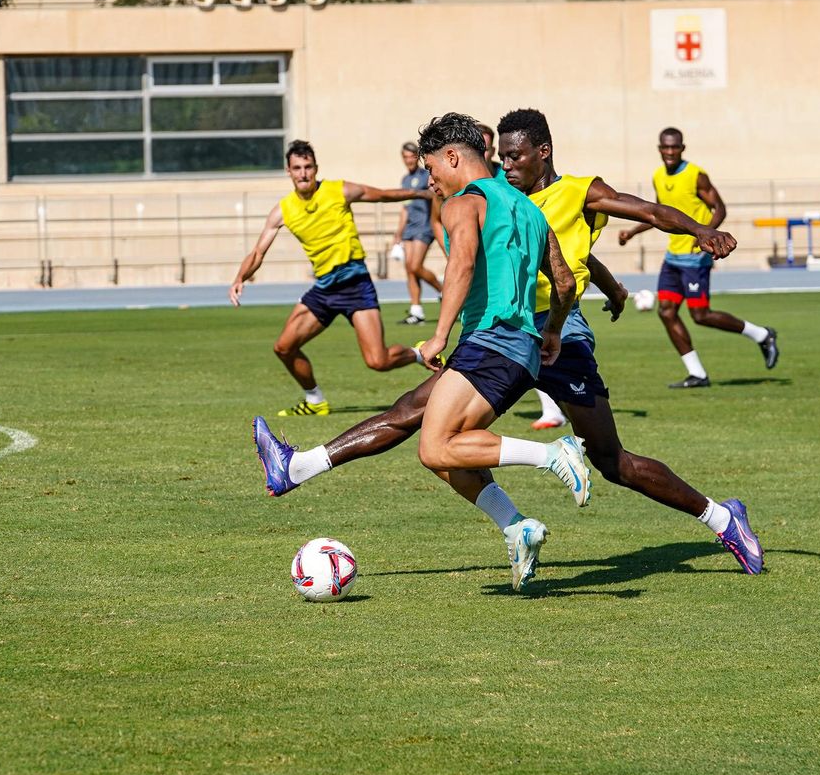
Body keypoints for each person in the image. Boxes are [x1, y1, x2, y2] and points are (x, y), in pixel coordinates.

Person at [255, 109, 766, 586]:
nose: (508, 162)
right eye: (501, 154)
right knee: (416, 416)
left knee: (612, 462)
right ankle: (304, 468)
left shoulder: (575, 192)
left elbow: (644, 214)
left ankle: (721, 517)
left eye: (516, 155)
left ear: (542, 151)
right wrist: (608, 288)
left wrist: (700, 230)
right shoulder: (505, 197)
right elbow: (559, 266)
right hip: (520, 334)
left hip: (549, 338)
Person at [230, 140, 434, 417]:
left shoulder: (338, 190)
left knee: (378, 361)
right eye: (297, 168)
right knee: (284, 347)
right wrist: (240, 277)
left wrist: (423, 194)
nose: (303, 173)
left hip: (356, 286)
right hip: (324, 290)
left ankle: (419, 354)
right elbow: (257, 252)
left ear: (316, 168)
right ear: (288, 171)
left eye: (308, 167)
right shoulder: (283, 210)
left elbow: (383, 194)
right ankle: (315, 401)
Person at [619, 127, 779, 388]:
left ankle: (762, 334)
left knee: (700, 315)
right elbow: (659, 213)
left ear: (683, 148)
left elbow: (720, 208)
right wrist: (633, 232)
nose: (670, 152)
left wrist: (706, 235)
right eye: (665, 147)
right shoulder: (658, 176)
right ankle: (697, 374)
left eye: (675, 147)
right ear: (659, 149)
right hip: (673, 258)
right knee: (667, 312)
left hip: (696, 259)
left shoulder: (696, 175)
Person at [388, 141, 442, 325]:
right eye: (404, 157)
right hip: (409, 229)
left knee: (415, 266)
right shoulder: (405, 180)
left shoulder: (426, 175)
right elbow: (405, 208)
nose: (408, 160)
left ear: (416, 156)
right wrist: (398, 233)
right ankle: (416, 311)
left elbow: (435, 197)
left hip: (424, 227)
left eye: (411, 156)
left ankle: (442, 290)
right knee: (409, 270)